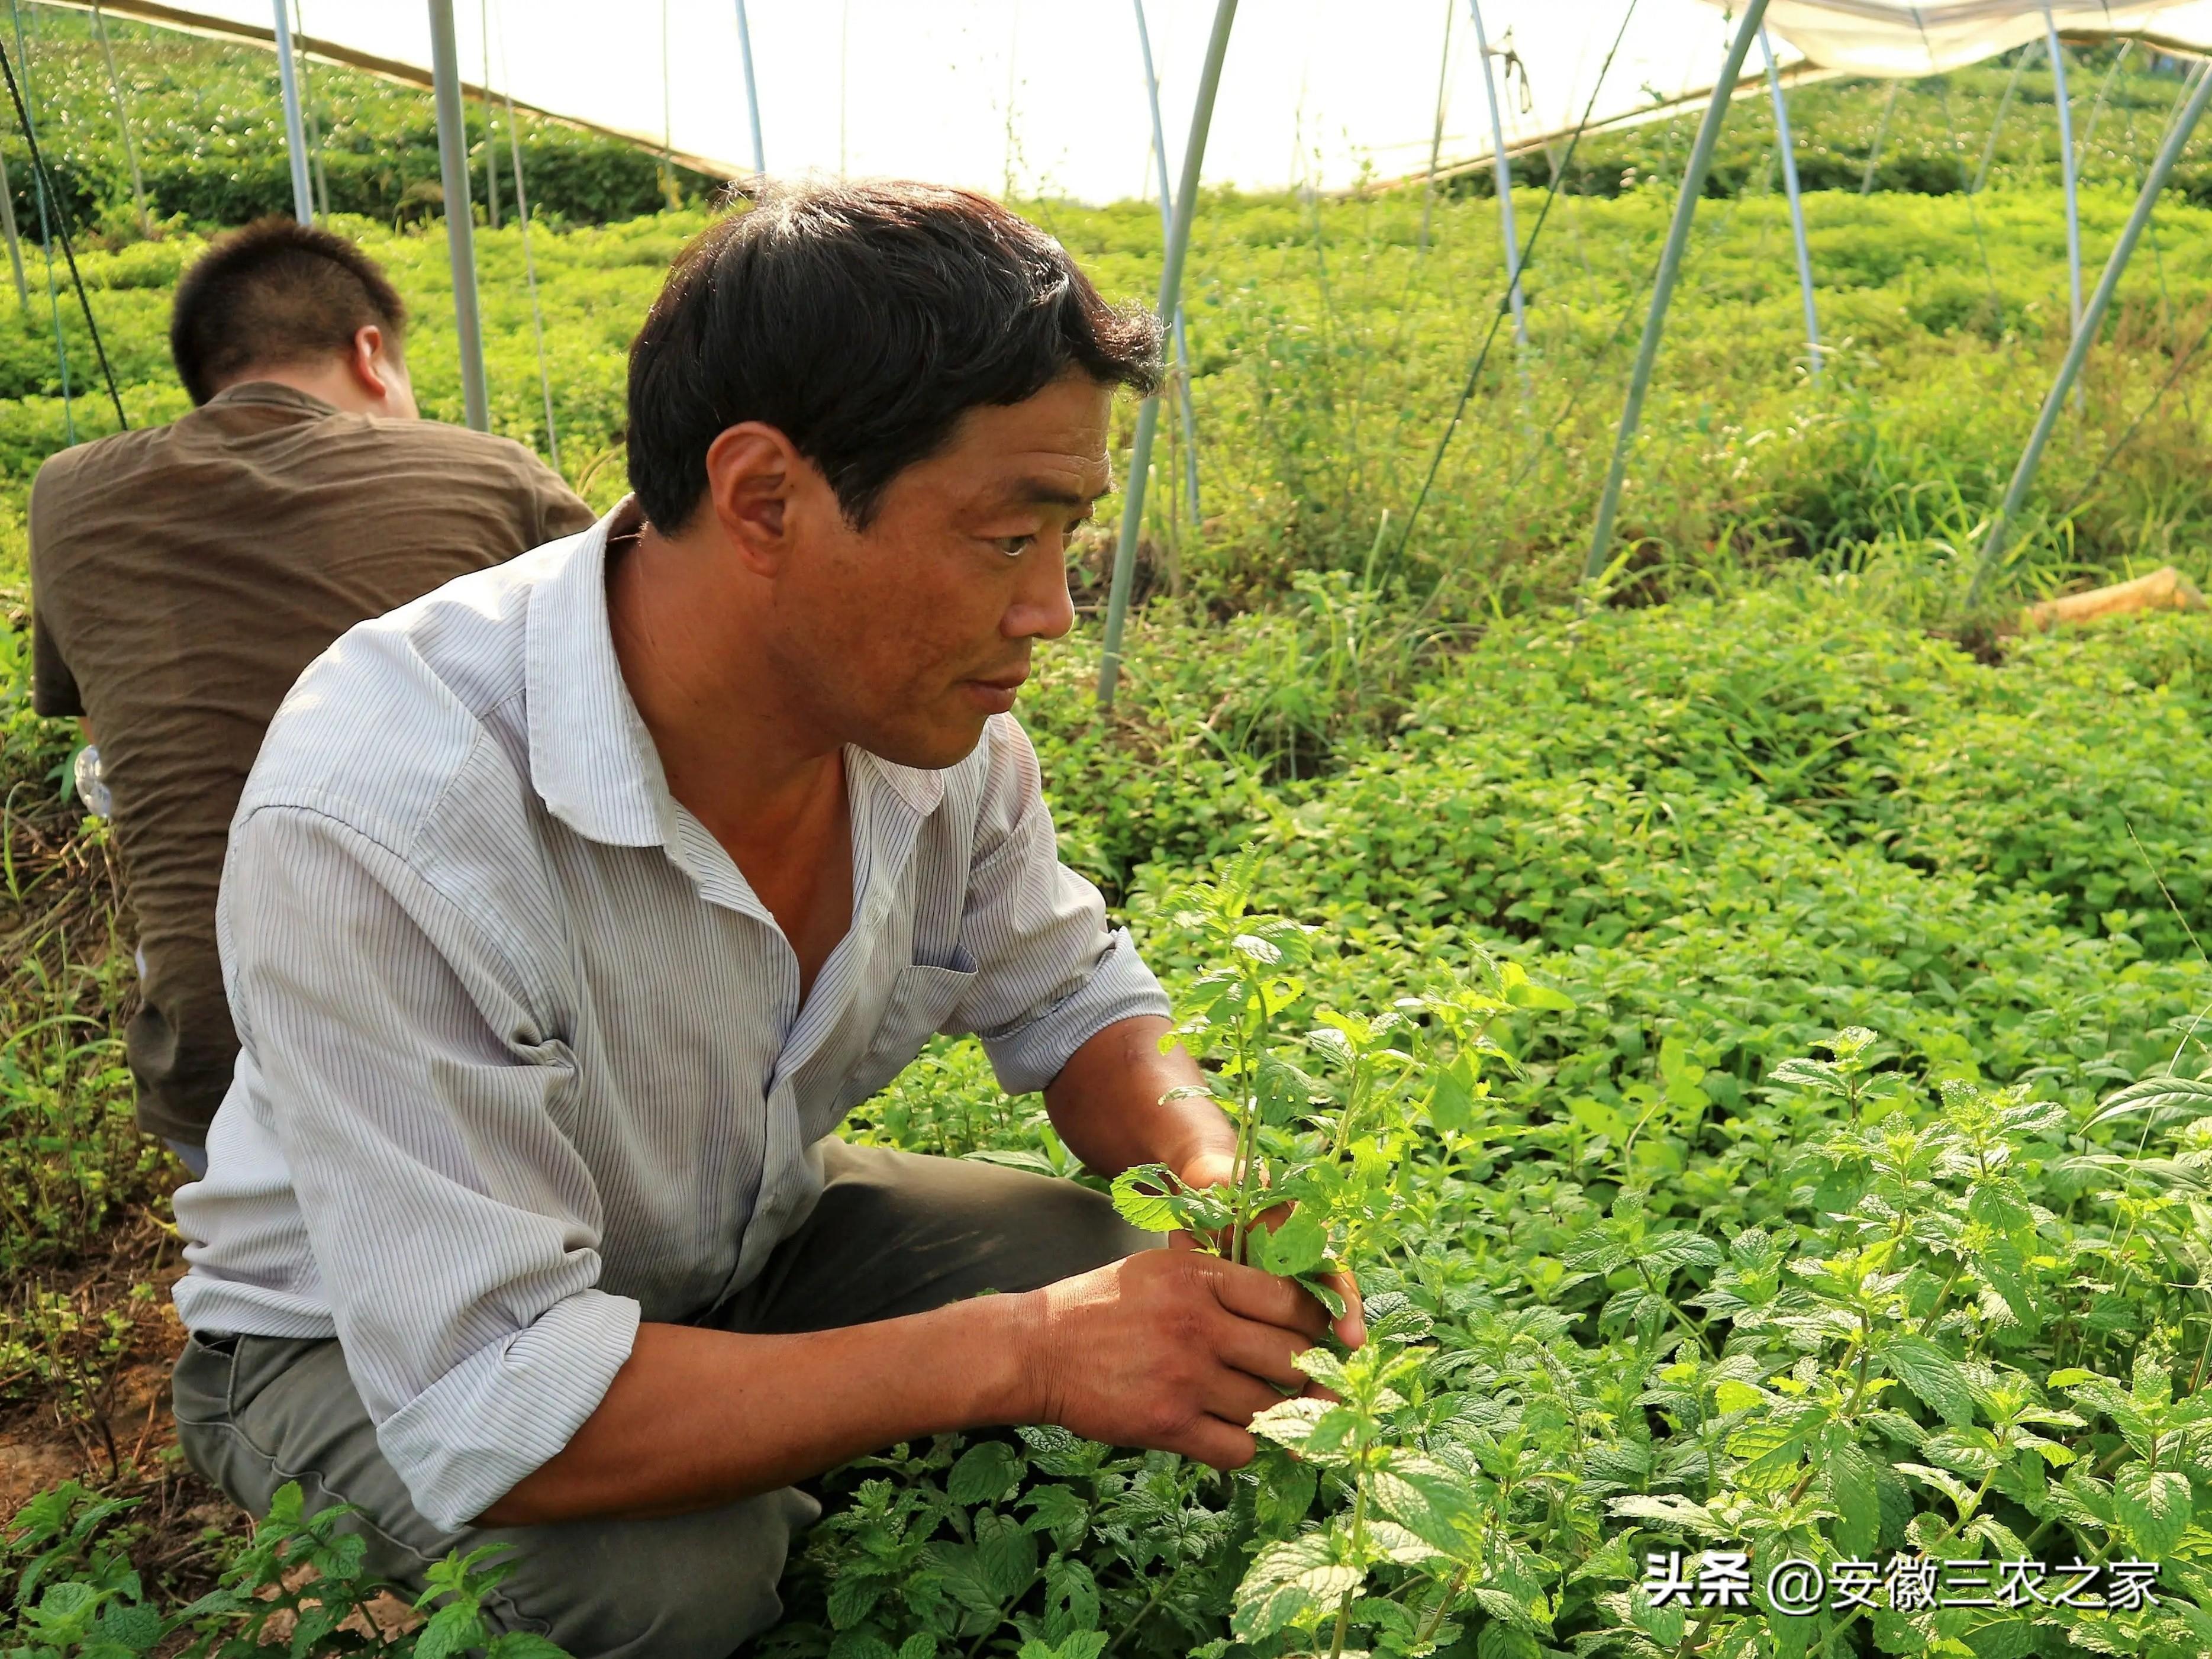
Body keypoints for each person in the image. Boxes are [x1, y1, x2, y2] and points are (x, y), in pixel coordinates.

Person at [169, 181, 1361, 1659]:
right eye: (1008, 537)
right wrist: (1031, 1355)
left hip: (716, 1251)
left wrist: (1211, 1166)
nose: (1051, 611)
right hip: (351, 1342)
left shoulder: (929, 732)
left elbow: (1077, 1000)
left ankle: (734, 1401)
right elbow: (500, 1396)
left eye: (1070, 538)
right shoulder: (393, 805)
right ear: (763, 499)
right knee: (660, 1575)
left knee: (1082, 1243)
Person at [27, 219, 596, 1174]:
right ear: (371, 354)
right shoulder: (495, 479)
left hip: (210, 1072)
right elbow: (619, 727)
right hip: (478, 1066)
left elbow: (104, 747)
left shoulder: (67, 496)